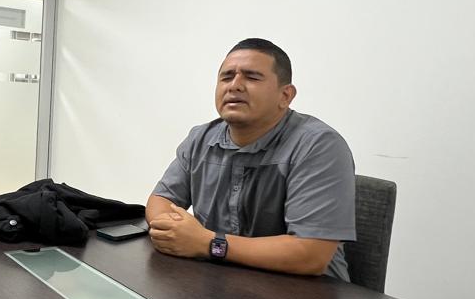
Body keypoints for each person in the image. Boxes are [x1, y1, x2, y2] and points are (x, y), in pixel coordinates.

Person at [146, 38, 356, 280]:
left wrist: (209, 243)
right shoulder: (200, 138)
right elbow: (162, 199)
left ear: (285, 95)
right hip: (221, 280)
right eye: (226, 77)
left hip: (306, 292)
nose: (234, 86)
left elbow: (310, 254)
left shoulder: (318, 145)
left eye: (252, 77)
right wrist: (175, 231)